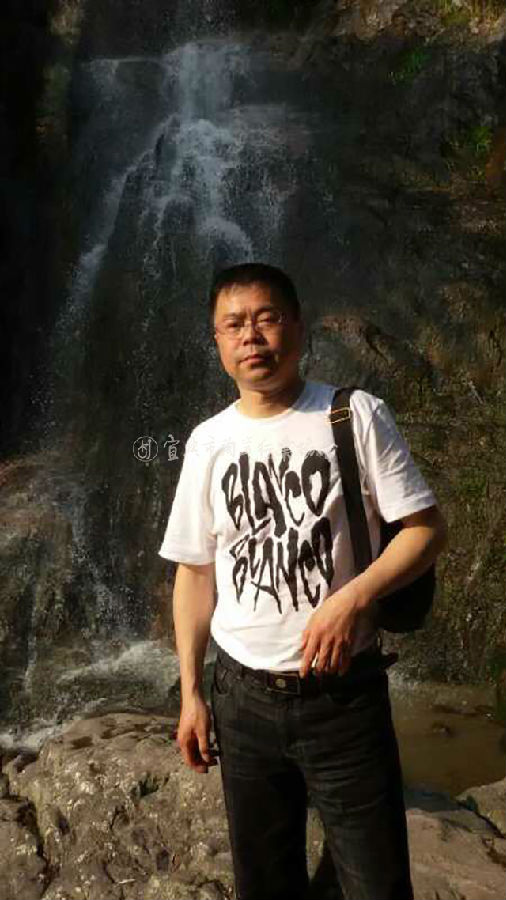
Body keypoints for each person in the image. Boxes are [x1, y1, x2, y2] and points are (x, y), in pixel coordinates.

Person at [158, 262, 447, 900]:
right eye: (234, 325)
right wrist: (191, 694)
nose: (252, 337)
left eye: (267, 319)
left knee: (375, 884)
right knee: (264, 883)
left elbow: (426, 530)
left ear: (296, 324)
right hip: (241, 702)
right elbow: (195, 572)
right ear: (217, 341)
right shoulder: (207, 441)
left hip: (343, 700)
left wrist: (354, 596)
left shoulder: (354, 415)